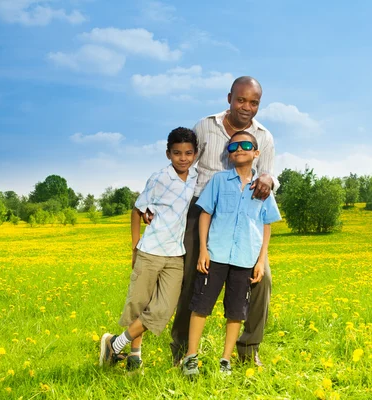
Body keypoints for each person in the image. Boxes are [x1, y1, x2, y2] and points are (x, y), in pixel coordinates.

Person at [165, 76, 279, 367]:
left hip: (242, 215)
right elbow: (183, 162)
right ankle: (182, 352)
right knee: (192, 275)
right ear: (229, 98)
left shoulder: (264, 137)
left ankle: (247, 348)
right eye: (241, 100)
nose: (247, 107)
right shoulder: (205, 126)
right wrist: (161, 200)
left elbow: (268, 177)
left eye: (254, 102)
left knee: (262, 278)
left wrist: (267, 178)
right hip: (201, 209)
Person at [180, 131, 281, 376]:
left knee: (236, 311)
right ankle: (190, 357)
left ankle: (225, 360)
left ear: (256, 153)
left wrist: (260, 260)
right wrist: (203, 250)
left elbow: (266, 225)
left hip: (245, 258)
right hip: (216, 254)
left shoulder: (263, 187)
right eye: (233, 146)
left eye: (245, 145)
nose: (238, 149)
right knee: (201, 305)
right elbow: (205, 214)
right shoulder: (219, 180)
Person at [99, 127, 198, 373]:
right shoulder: (159, 178)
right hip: (151, 251)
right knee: (139, 304)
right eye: (177, 153)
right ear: (168, 154)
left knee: (164, 309)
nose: (182, 158)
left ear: (195, 154)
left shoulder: (197, 178)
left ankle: (114, 343)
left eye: (188, 153)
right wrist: (135, 247)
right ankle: (134, 356)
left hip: (176, 254)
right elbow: (137, 209)